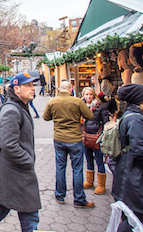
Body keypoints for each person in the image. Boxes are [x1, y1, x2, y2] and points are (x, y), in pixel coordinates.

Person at [0, 72, 41, 232]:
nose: (32, 88)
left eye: (33, 85)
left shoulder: (19, 107)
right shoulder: (12, 111)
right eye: (28, 85)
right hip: (16, 172)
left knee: (4, 208)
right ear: (16, 89)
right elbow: (9, 144)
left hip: (14, 174)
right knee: (27, 213)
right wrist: (27, 160)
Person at [113, 84, 143, 232]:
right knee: (138, 220)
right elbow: (140, 150)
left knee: (134, 218)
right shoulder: (136, 120)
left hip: (131, 174)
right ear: (141, 100)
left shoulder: (134, 116)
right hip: (136, 177)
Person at [42, 80, 95, 208]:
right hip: (75, 139)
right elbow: (90, 116)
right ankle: (79, 199)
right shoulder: (77, 102)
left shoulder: (52, 102)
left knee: (60, 167)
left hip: (59, 138)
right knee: (77, 169)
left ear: (59, 89)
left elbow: (45, 117)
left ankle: (60, 195)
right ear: (71, 89)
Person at [81, 87, 109, 195]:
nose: (88, 97)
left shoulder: (100, 106)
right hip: (86, 136)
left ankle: (101, 185)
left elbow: (105, 121)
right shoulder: (81, 105)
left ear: (94, 95)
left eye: (90, 94)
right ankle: (89, 181)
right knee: (88, 160)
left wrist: (103, 134)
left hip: (97, 137)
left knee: (99, 160)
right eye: (86, 95)